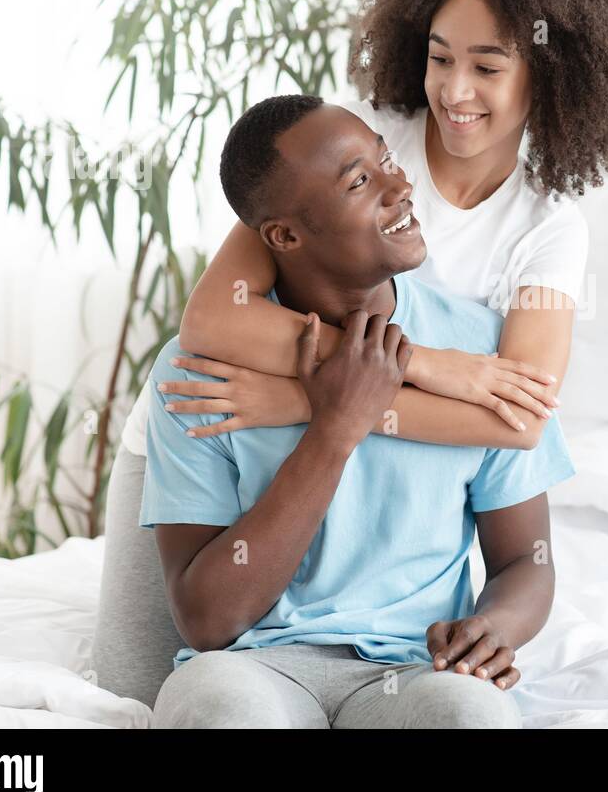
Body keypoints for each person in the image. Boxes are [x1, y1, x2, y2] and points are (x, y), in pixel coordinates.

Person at [115, 0, 608, 455]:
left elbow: (519, 423)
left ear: (552, 78)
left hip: (316, 454)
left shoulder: (548, 228)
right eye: (440, 59)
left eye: (486, 67)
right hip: (200, 432)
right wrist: (422, 363)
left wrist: (307, 401)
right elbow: (215, 318)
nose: (454, 90)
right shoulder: (355, 142)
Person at [144, 96, 575, 728]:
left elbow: (524, 563)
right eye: (359, 181)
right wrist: (334, 430)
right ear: (285, 236)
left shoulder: (483, 353)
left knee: (472, 721)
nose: (401, 186)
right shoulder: (199, 373)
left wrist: (492, 627)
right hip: (254, 667)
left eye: (387, 161)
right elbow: (208, 620)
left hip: (416, 668)